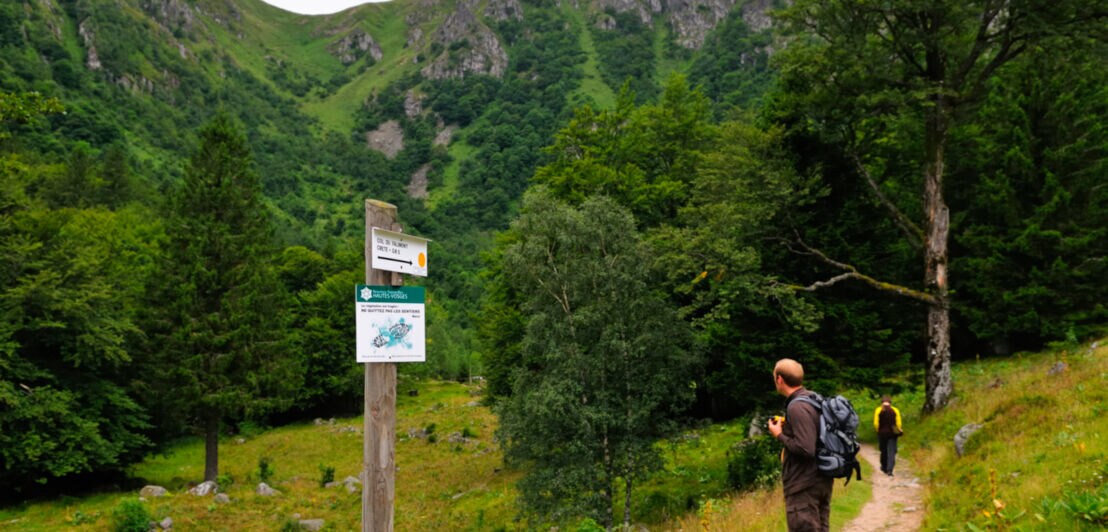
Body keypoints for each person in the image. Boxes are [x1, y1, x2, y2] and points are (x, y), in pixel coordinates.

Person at [768, 358, 833, 532]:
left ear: (779, 379)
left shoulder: (796, 407)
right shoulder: (813, 398)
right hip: (821, 480)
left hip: (804, 485)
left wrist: (779, 435)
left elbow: (806, 448)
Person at [873, 395, 902, 476]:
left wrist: (878, 430)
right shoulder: (895, 410)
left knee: (883, 450)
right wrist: (898, 430)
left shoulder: (878, 410)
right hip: (892, 434)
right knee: (892, 452)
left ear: (882, 403)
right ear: (890, 403)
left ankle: (884, 466)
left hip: (882, 434)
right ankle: (890, 470)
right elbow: (898, 423)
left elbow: (876, 423)